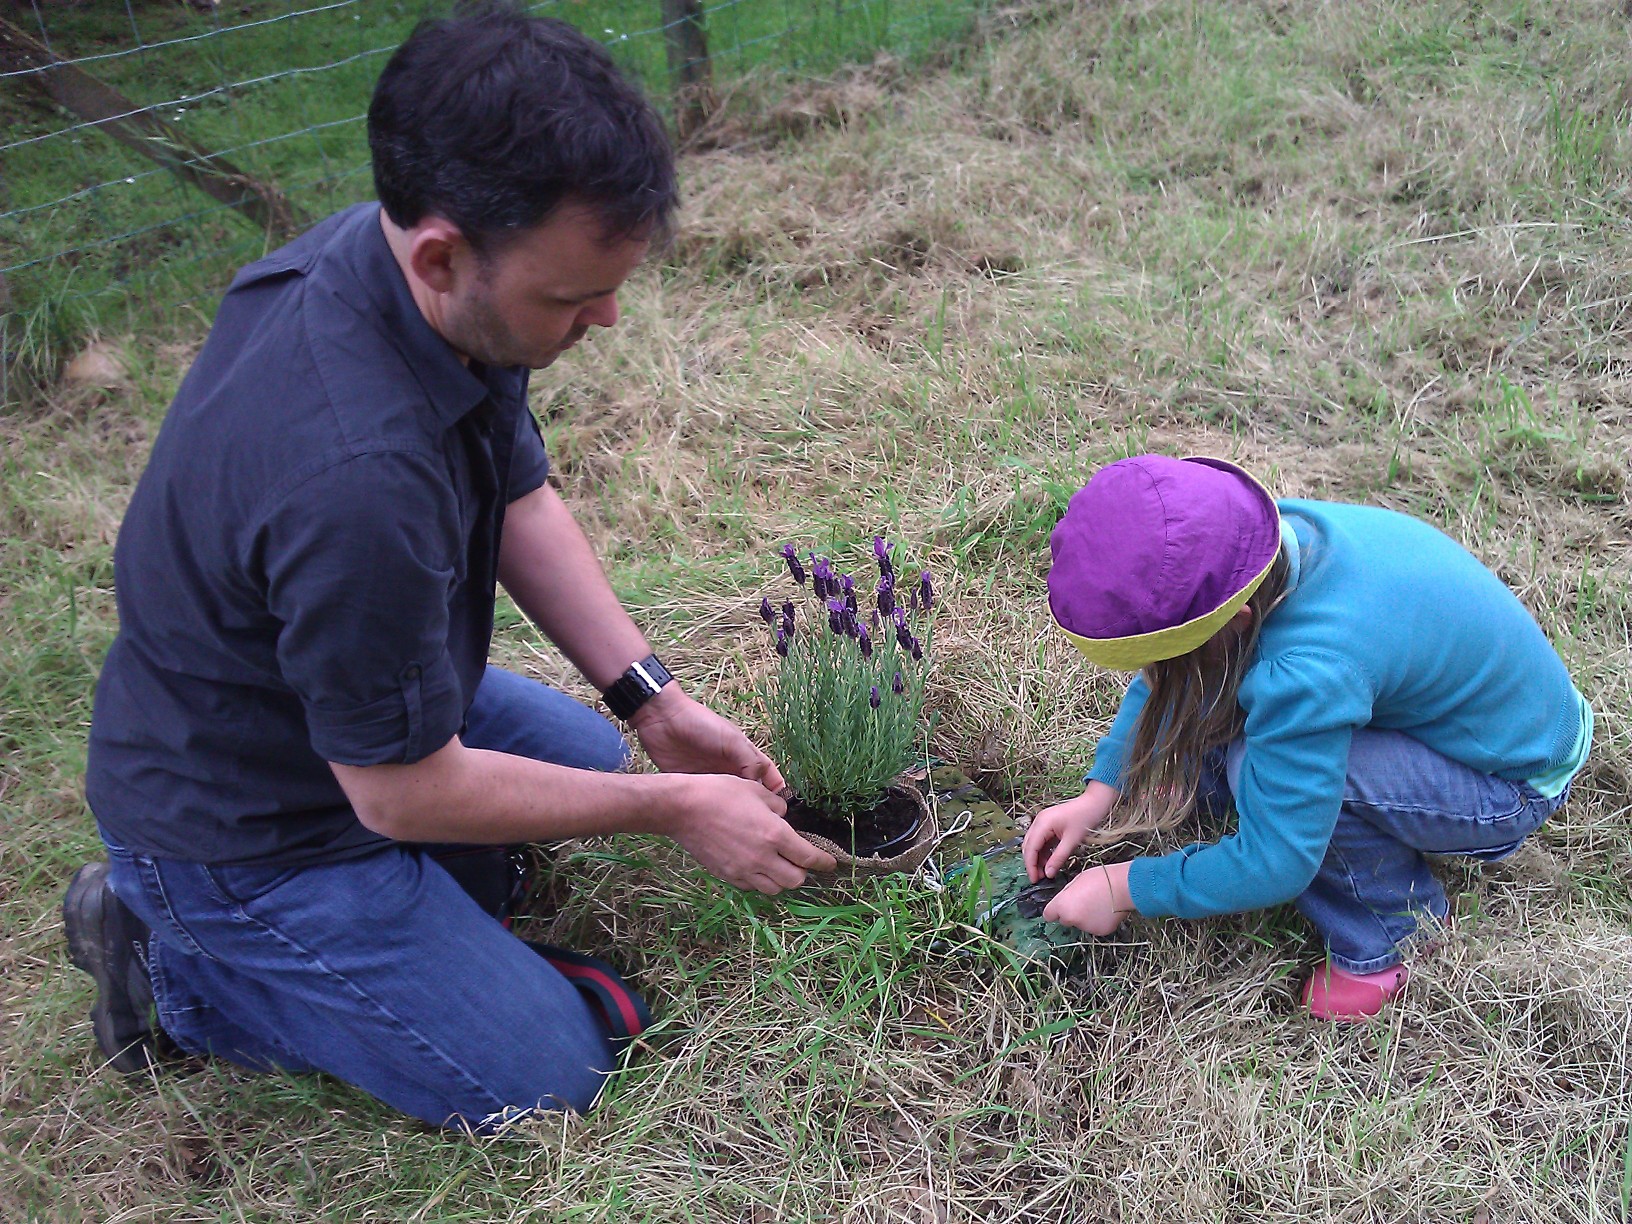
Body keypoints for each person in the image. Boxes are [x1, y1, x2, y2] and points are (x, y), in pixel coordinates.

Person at [62, 3, 833, 1131]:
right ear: (442, 254)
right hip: (253, 826)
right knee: (550, 1078)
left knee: (589, 757)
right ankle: (174, 967)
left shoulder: (412, 277)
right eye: (571, 297)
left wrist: (651, 701)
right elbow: (399, 792)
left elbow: (518, 494)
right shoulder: (356, 477)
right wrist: (672, 807)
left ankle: (417, 911)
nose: (609, 317)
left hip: (340, 705)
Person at [1023, 454, 1591, 1020]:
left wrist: (1126, 887)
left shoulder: (1306, 671)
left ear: (1237, 621)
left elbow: (1279, 859)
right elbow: (1172, 677)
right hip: (1485, 718)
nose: (1155, 675)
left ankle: (1391, 935)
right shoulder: (1255, 551)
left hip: (1510, 780)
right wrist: (1101, 792)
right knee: (1248, 732)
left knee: (1269, 775)